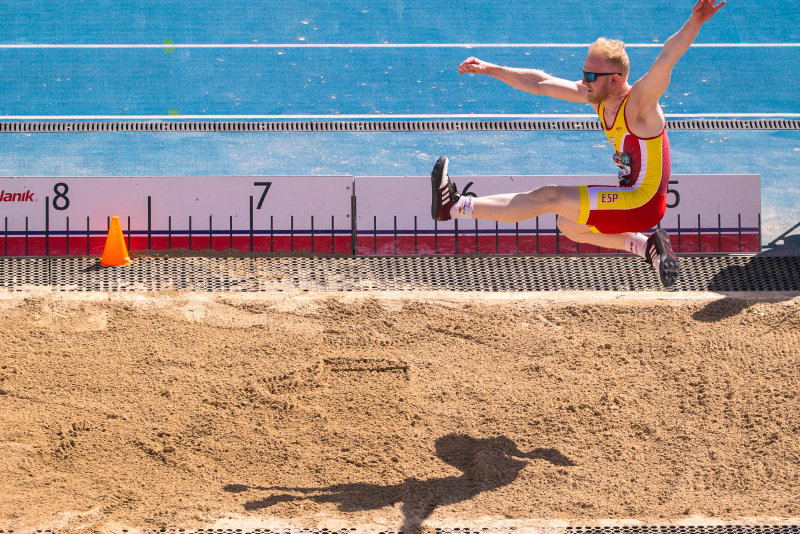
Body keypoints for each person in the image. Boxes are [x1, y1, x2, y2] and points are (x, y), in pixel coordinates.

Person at [431, 0, 725, 287]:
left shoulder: (639, 105)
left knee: (550, 196)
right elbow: (540, 83)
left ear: (614, 79)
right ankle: (647, 246)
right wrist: (489, 68)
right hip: (630, 196)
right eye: (583, 74)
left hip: (643, 201)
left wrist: (695, 21)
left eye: (590, 76)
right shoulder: (597, 97)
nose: (583, 81)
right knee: (568, 224)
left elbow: (666, 58)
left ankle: (456, 206)